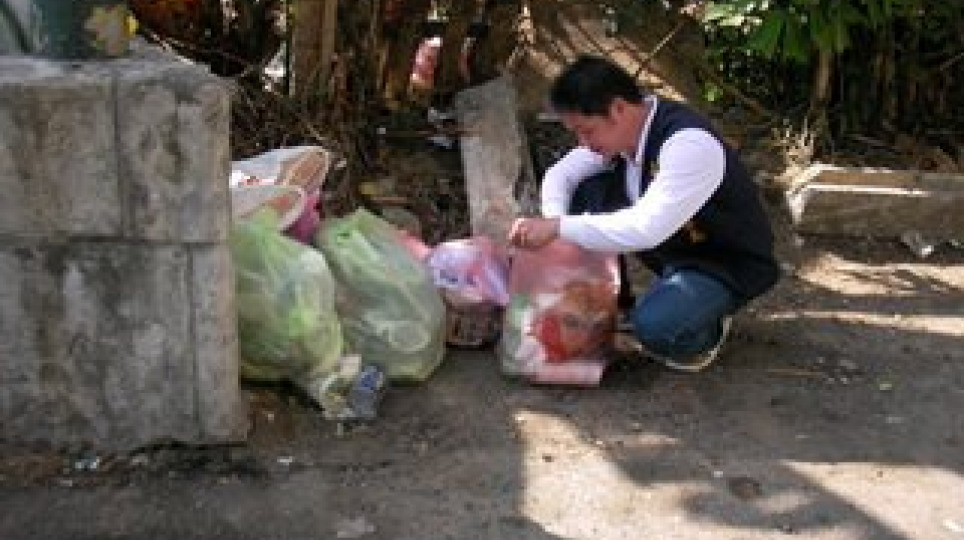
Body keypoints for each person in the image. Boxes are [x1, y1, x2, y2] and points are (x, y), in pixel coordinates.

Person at [508, 55, 780, 372]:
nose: (583, 143)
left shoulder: (689, 145)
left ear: (618, 109)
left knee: (657, 329)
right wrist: (554, 219)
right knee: (583, 189)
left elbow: (646, 228)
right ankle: (610, 304)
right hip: (674, 249)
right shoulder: (624, 133)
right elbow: (562, 174)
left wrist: (558, 228)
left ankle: (708, 327)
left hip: (722, 262)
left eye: (587, 131)